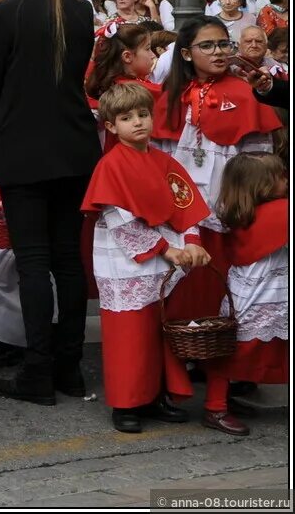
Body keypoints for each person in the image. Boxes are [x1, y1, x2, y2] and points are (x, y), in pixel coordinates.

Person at [0, 0, 101, 407]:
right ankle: (70, 368)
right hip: (73, 146)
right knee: (68, 258)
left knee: (33, 261)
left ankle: (38, 368)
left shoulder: (8, 11)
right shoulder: (80, 7)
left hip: (22, 147)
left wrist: (2, 125)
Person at [83, 84, 211, 433]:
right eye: (126, 118)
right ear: (111, 126)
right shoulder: (110, 165)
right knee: (130, 334)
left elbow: (186, 204)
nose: (137, 123)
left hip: (164, 261)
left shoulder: (163, 160)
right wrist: (167, 250)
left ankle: (156, 395)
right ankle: (126, 403)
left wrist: (194, 241)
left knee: (159, 332)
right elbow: (120, 221)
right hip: (127, 263)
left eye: (143, 114)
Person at [150, 17, 283, 322]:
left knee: (221, 280)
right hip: (181, 206)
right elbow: (160, 155)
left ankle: (219, 350)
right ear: (186, 53)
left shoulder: (245, 92)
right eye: (207, 46)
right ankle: (188, 345)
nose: (218, 52)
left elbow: (259, 161)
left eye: (223, 44)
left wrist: (243, 201)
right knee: (187, 285)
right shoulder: (172, 94)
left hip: (230, 205)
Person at [203, 152, 288, 436]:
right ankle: (215, 408)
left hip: (247, 294)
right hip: (266, 295)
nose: (287, 180)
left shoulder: (236, 212)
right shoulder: (279, 212)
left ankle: (217, 404)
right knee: (237, 350)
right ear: (261, 186)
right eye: (281, 176)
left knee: (231, 349)